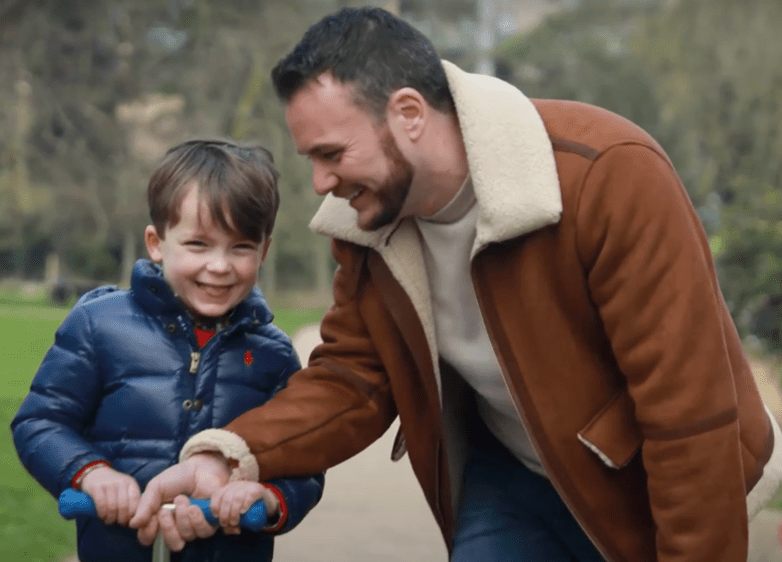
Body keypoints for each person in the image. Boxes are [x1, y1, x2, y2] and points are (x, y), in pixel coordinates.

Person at [129, 7, 782, 562]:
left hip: (642, 479)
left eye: (332, 154)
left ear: (409, 112)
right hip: (509, 480)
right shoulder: (365, 227)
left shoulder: (608, 175)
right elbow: (353, 379)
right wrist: (231, 456)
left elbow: (686, 414)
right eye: (312, 160)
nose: (320, 184)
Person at [11, 139, 324, 562]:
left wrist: (267, 497)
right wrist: (90, 473)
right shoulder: (99, 325)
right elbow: (41, 421)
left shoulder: (272, 353)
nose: (219, 265)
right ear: (157, 243)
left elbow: (305, 458)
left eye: (241, 247)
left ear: (264, 250)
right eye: (198, 244)